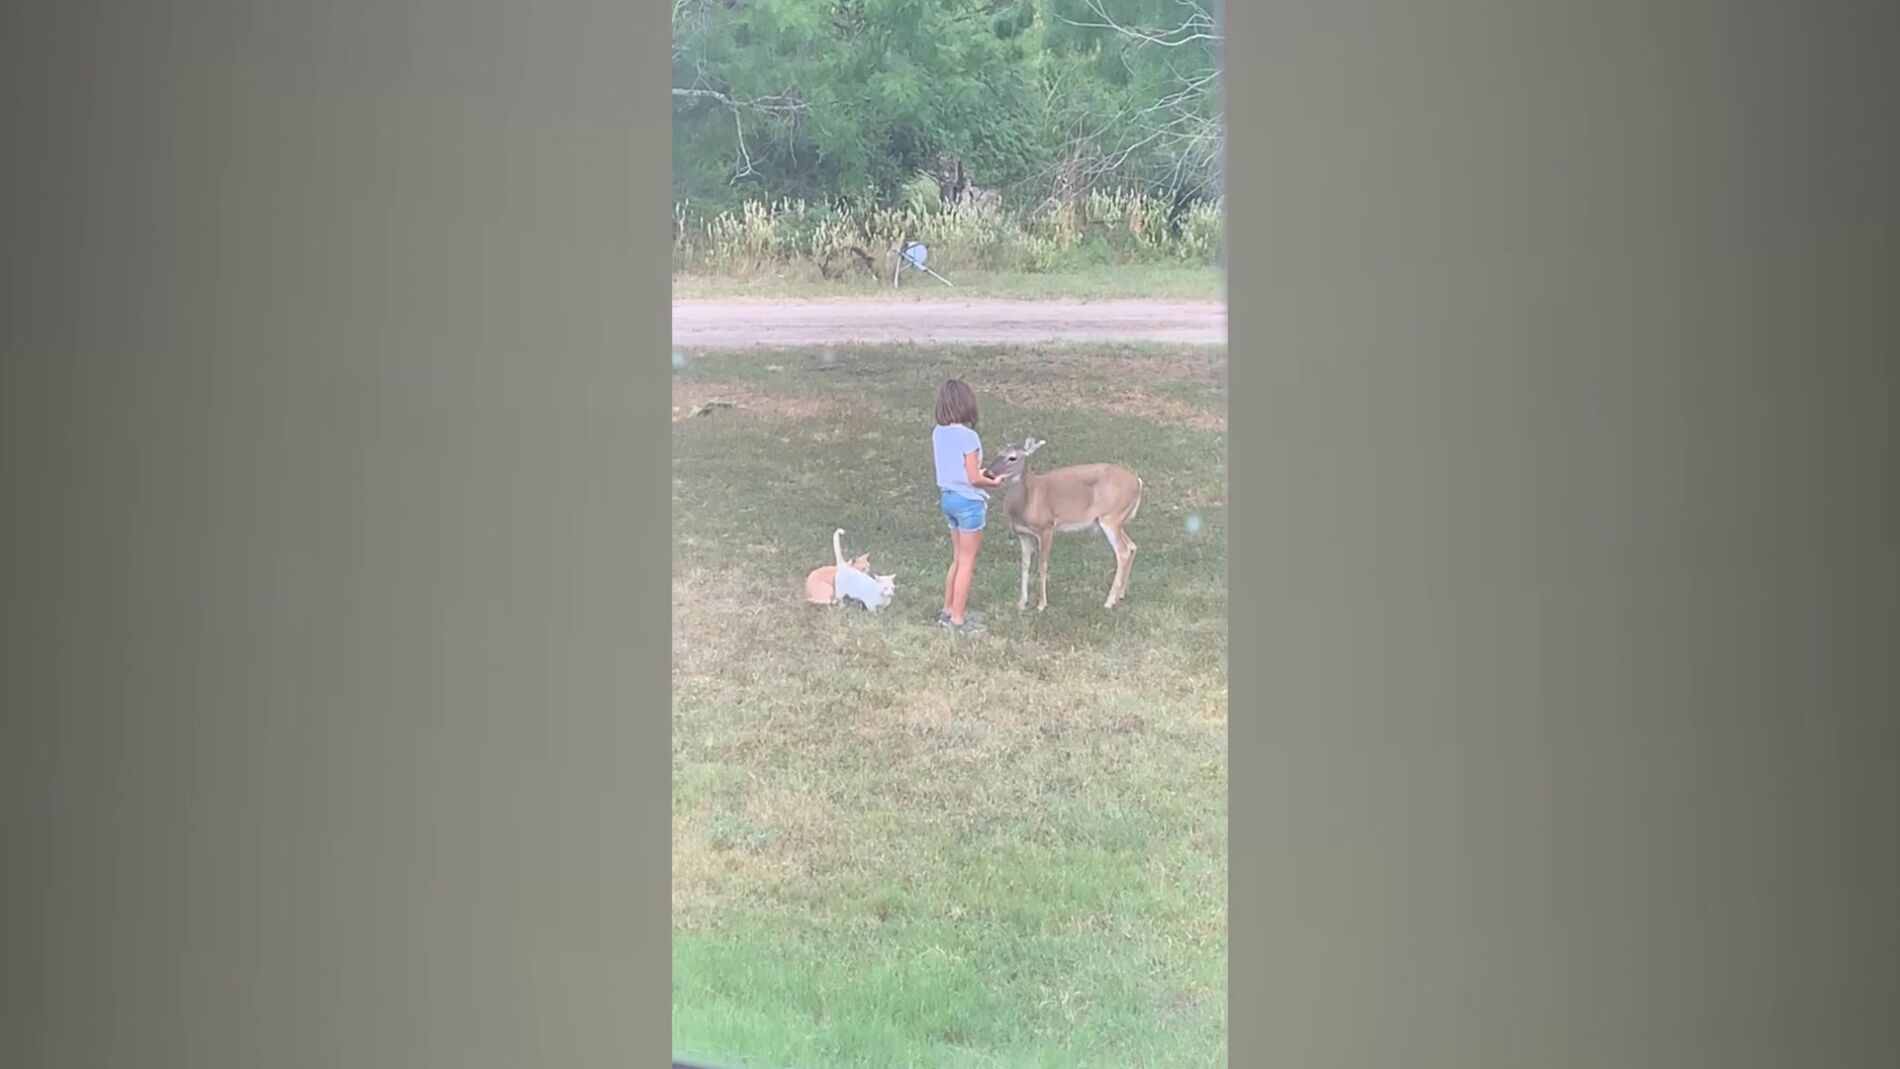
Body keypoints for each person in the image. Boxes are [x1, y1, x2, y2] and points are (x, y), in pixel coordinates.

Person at [932, 379, 1008, 634]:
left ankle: (947, 610)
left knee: (956, 559)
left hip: (948, 499)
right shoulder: (969, 436)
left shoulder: (938, 433)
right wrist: (993, 482)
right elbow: (974, 478)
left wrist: (979, 473)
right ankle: (958, 621)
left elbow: (962, 470)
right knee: (967, 561)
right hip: (968, 503)